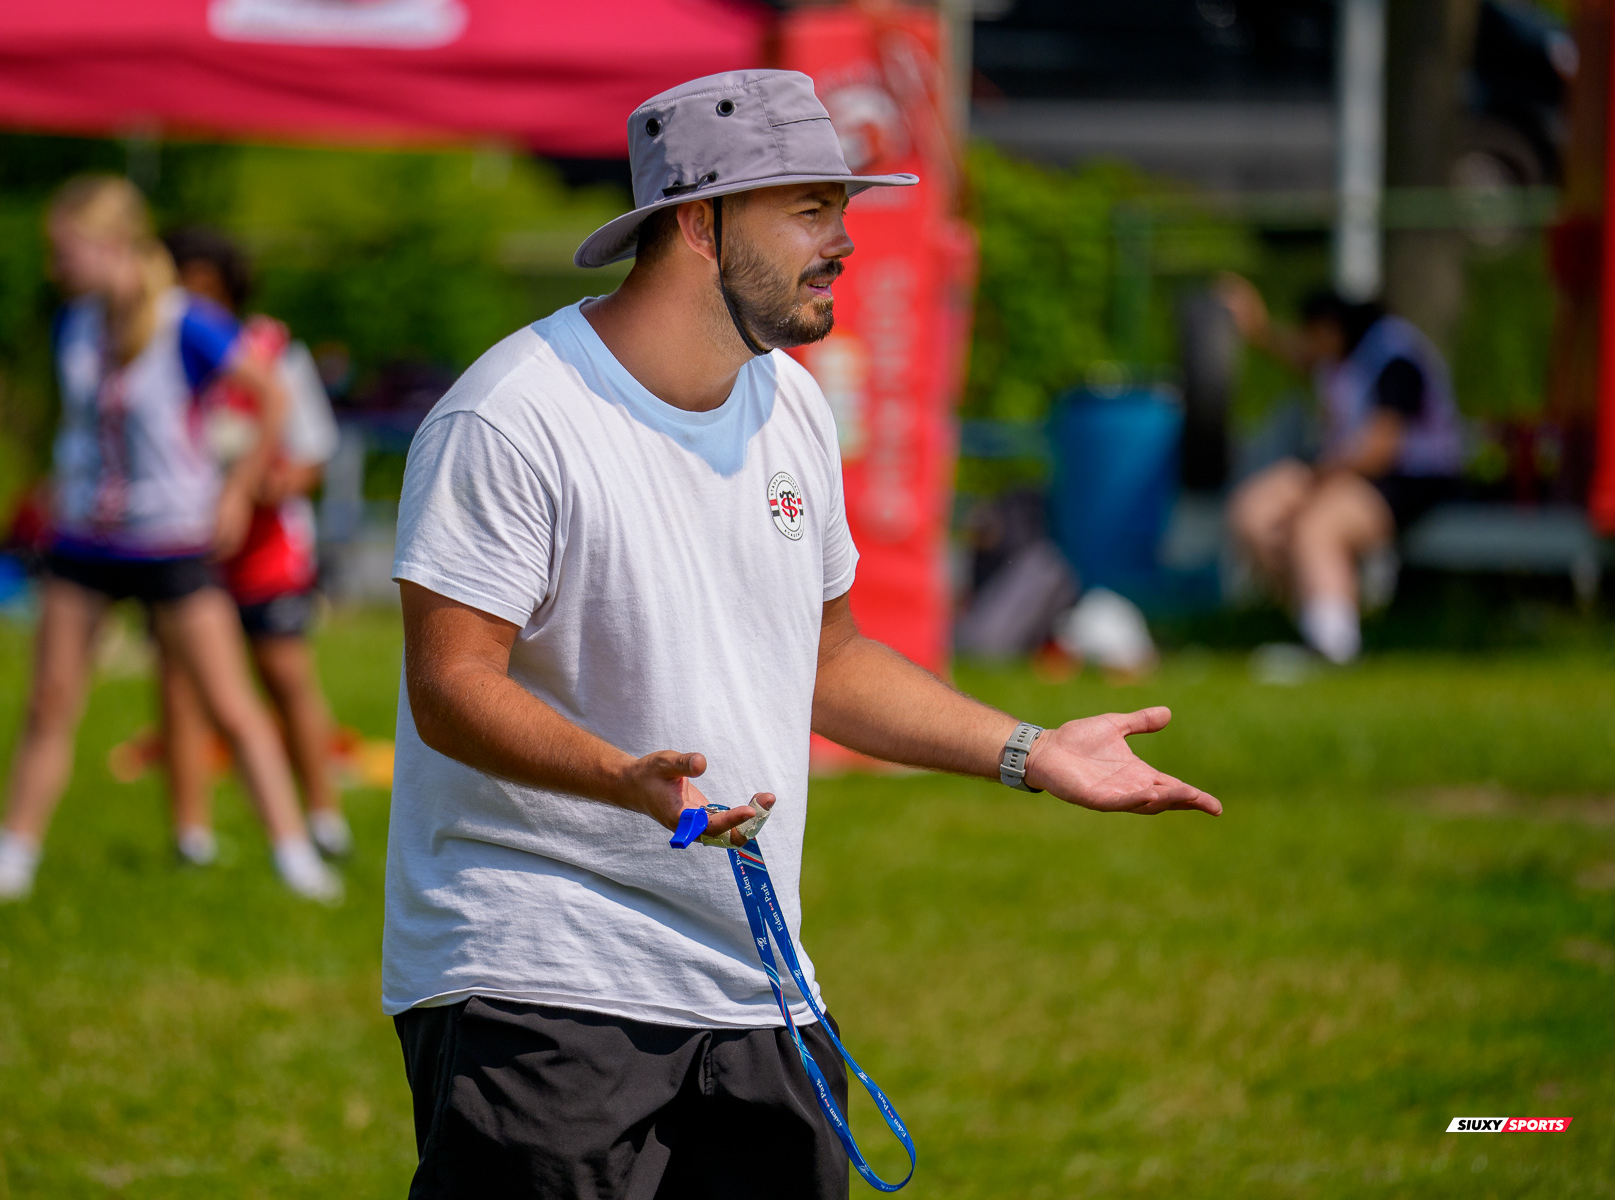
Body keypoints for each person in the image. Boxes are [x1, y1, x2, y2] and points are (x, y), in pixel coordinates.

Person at [387, 69, 1221, 1200]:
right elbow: (449, 685)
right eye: (809, 209)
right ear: (698, 222)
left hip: (752, 984)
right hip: (539, 979)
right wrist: (621, 777)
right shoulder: (515, 417)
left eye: (844, 208)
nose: (843, 242)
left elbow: (825, 661)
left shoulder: (789, 405)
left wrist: (1031, 750)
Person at [0, 176, 341, 905]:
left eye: (64, 250)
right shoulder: (72, 324)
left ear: (111, 247)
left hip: (172, 543)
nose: (54, 266)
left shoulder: (188, 324)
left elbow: (272, 396)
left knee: (233, 705)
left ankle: (296, 856)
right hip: (83, 543)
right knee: (49, 701)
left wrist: (236, 490)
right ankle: (11, 854)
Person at [155, 226, 351, 865]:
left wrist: (269, 483)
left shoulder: (273, 351)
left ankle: (323, 817)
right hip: (189, 546)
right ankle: (192, 838)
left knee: (285, 678)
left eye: (204, 290)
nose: (191, 304)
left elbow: (314, 457)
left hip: (268, 551)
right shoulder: (156, 354)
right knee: (181, 686)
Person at [1219, 276, 1464, 664]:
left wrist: (1318, 481)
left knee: (1316, 526)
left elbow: (1382, 449)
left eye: (1311, 334)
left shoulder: (1395, 356)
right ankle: (1320, 620)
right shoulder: (1343, 353)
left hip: (1410, 479)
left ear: (1329, 329)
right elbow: (1300, 355)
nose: (1309, 347)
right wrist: (1258, 328)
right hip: (1344, 472)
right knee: (1253, 511)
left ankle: (1334, 648)